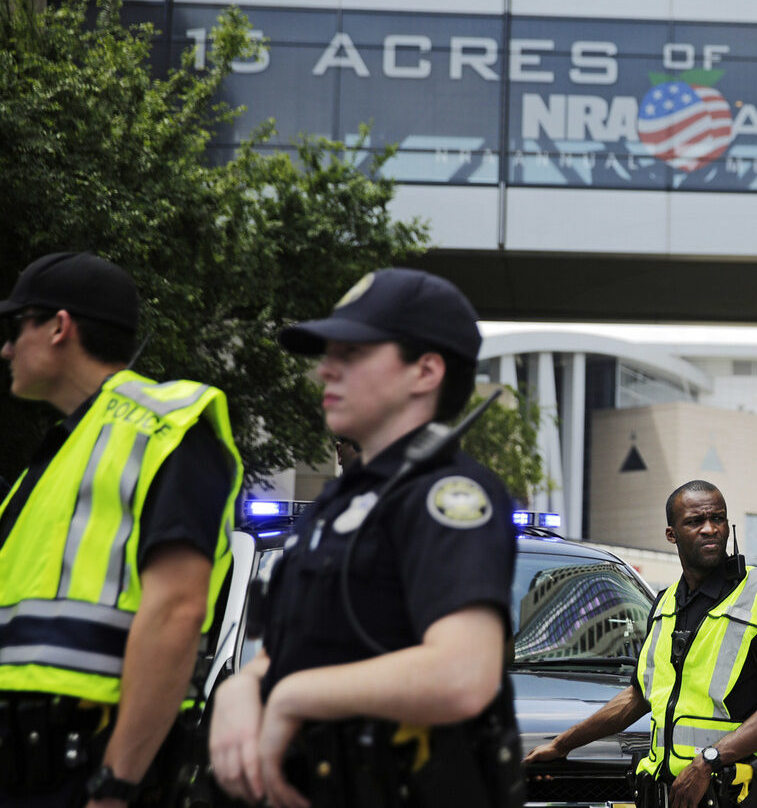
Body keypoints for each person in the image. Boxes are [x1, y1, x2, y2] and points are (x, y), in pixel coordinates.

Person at [207, 268, 521, 808]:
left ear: (425, 371)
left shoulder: (449, 496)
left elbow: (463, 673)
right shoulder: (343, 500)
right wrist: (246, 684)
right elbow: (313, 641)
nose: (324, 372)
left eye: (351, 354)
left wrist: (288, 698)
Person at [0, 251, 242, 805]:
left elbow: (177, 611)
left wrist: (116, 786)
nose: (6, 348)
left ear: (60, 327)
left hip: (89, 769)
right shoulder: (59, 455)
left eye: (18, 328)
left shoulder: (165, 428)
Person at [525, 480, 757, 808]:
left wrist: (708, 762)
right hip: (670, 793)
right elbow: (638, 696)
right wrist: (563, 744)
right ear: (671, 534)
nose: (710, 529)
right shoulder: (665, 603)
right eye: (695, 521)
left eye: (718, 519)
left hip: (738, 793)